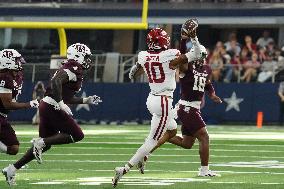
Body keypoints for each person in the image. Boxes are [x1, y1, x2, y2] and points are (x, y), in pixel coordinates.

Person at [112, 19, 205, 188]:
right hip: (163, 101)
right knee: (152, 140)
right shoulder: (170, 56)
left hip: (153, 98)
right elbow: (198, 54)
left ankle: (144, 157)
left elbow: (135, 69)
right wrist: (194, 37)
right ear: (164, 42)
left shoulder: (144, 55)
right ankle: (124, 168)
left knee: (171, 130)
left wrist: (133, 72)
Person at [2, 43, 102, 186]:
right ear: (78, 56)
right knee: (77, 135)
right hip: (51, 106)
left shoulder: (71, 68)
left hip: (47, 105)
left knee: (47, 144)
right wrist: (60, 103)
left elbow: (65, 95)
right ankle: (39, 142)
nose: (88, 61)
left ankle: (11, 169)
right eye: (86, 57)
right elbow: (56, 82)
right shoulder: (73, 67)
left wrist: (86, 100)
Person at [137, 28, 223, 177]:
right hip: (186, 107)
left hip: (194, 108)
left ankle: (151, 148)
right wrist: (183, 39)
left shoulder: (206, 69)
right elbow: (182, 55)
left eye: (203, 56)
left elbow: (207, 83)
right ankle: (204, 170)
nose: (200, 59)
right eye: (199, 56)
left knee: (187, 143)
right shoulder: (186, 68)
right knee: (204, 137)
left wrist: (212, 94)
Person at [0, 49, 39, 157]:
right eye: (16, 60)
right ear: (8, 61)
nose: (20, 62)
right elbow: (7, 104)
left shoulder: (16, 75)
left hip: (2, 116)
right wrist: (29, 104)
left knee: (13, 148)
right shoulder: (4, 77)